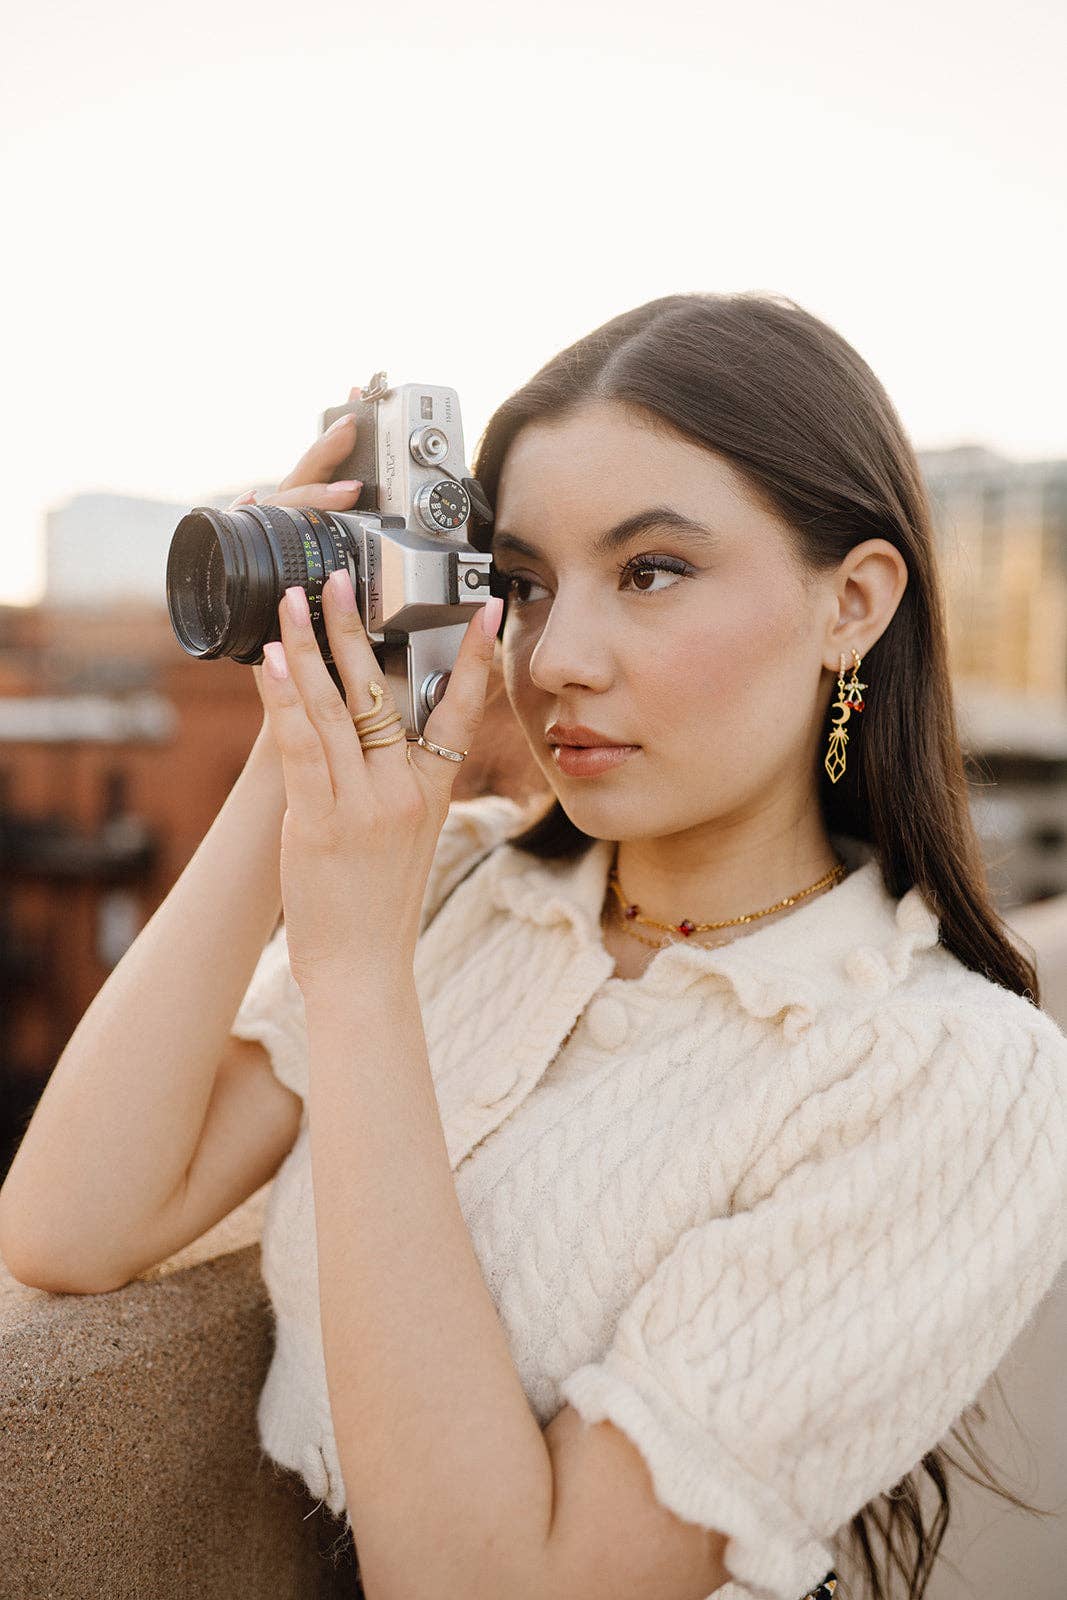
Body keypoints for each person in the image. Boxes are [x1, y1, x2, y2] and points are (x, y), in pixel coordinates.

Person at [3, 292, 1064, 1600]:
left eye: (653, 572)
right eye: (520, 587)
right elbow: (68, 1225)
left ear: (853, 603)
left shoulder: (947, 1078)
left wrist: (359, 980)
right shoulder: (466, 895)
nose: (558, 658)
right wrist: (307, 714)